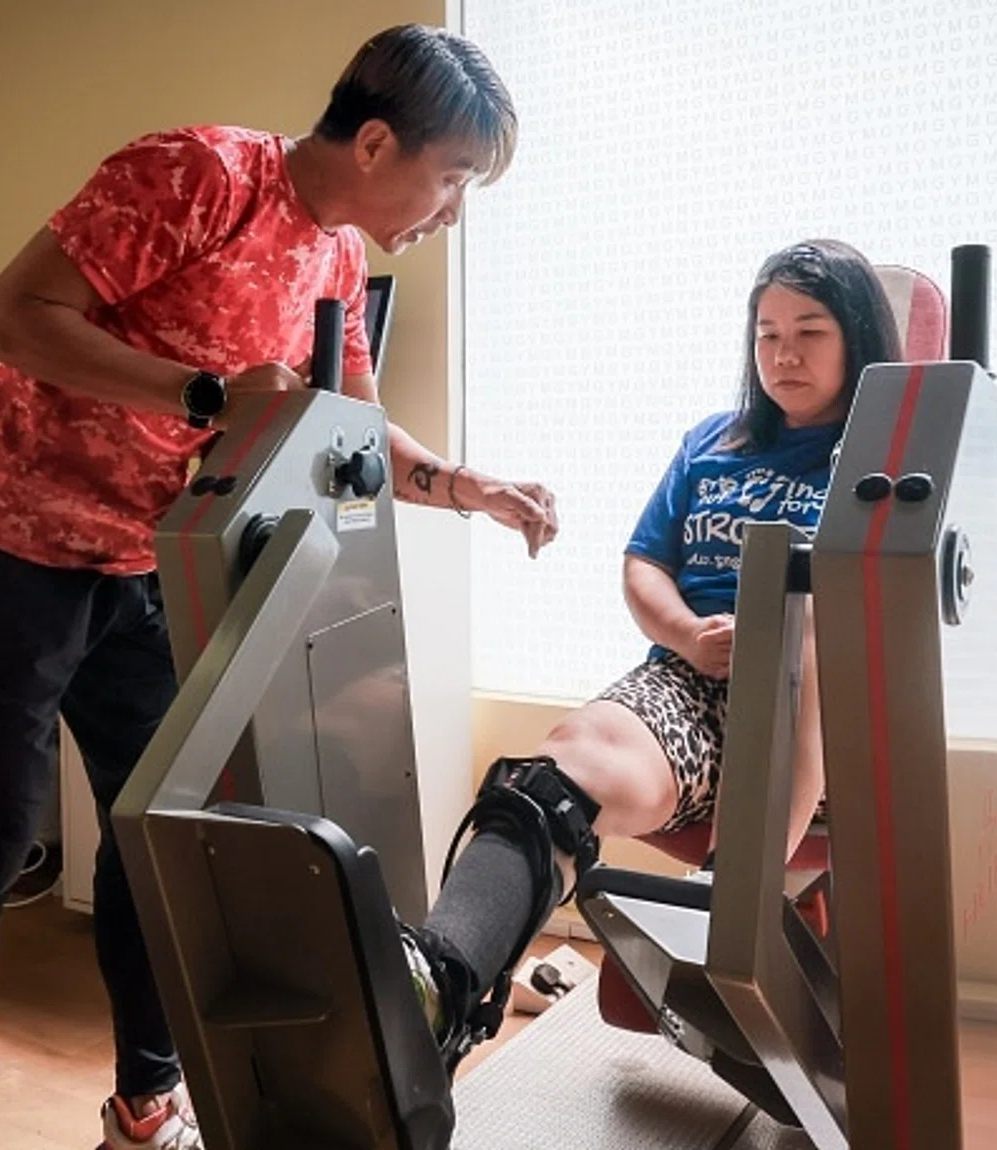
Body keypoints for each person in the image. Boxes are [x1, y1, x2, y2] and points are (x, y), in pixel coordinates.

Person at [0, 24, 556, 1150]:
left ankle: (144, 1099)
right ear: (377, 141)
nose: (451, 212)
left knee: (159, 831)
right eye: (451, 179)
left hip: (142, 555)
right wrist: (207, 395)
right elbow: (5, 321)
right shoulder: (201, 173)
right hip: (4, 533)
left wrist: (464, 486)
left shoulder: (342, 258)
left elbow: (348, 428)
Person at [402, 238, 901, 1069]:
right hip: (698, 683)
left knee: (810, 614)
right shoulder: (716, 441)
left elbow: (950, 615)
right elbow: (645, 562)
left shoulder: (895, 460)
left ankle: (725, 902)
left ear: (857, 337)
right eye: (766, 332)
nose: (783, 353)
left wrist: (794, 629)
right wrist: (686, 635)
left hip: (839, 718)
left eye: (809, 332)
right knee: (554, 786)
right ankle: (435, 981)